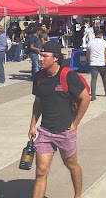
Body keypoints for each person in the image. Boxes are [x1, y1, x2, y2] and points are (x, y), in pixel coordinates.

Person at [28, 41, 90, 198]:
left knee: (71, 164)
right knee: (41, 171)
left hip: (65, 131)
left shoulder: (68, 75)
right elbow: (38, 101)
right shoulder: (39, 77)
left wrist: (75, 123)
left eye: (44, 56)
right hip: (45, 131)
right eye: (40, 56)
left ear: (55, 58)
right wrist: (33, 125)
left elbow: (85, 98)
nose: (41, 59)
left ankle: (77, 196)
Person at [86, 28, 106, 101]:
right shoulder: (104, 42)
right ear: (101, 34)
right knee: (104, 78)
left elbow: (87, 53)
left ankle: (93, 94)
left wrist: (89, 59)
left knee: (93, 79)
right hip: (101, 62)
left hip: (93, 62)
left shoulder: (90, 42)